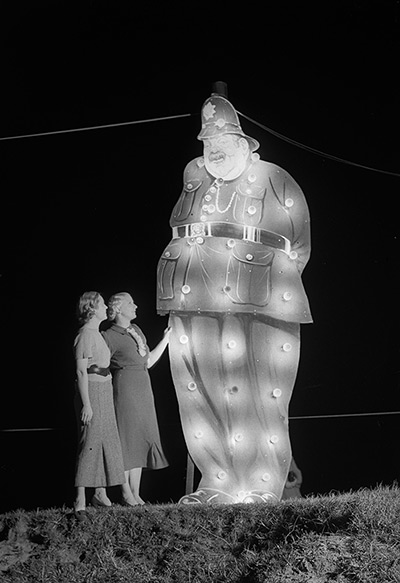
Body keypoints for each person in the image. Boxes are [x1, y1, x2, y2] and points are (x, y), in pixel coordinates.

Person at [156, 91, 312, 504]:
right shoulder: (192, 177)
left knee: (261, 390)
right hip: (192, 295)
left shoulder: (273, 177)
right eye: (207, 143)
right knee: (199, 389)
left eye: (222, 142)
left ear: (244, 144)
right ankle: (216, 480)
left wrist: (270, 280)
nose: (213, 150)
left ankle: (262, 483)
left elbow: (298, 243)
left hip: (256, 295)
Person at [102, 292, 170, 505]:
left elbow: (148, 362)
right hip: (126, 387)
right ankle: (124, 493)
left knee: (140, 437)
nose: (136, 305)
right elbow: (100, 363)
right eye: (131, 303)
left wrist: (166, 339)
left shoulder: (136, 330)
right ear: (119, 309)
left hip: (143, 386)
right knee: (127, 438)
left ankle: (134, 492)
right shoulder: (109, 335)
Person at [73, 291, 129, 518]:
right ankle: (80, 499)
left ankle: (100, 493)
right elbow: (80, 371)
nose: (106, 306)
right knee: (90, 441)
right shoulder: (85, 334)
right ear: (92, 309)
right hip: (92, 390)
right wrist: (86, 403)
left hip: (104, 388)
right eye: (102, 303)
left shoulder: (97, 334)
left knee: (107, 439)